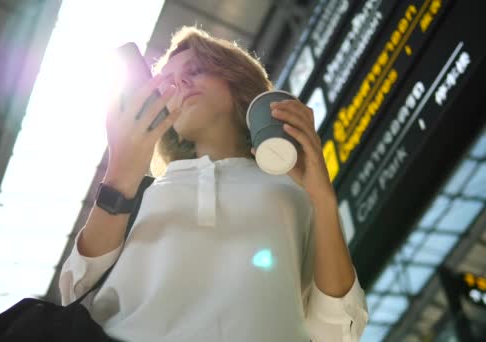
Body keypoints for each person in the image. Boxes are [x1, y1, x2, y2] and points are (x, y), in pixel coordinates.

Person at [59, 26, 369, 341]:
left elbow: (338, 329)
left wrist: (324, 200)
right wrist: (120, 173)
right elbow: (77, 290)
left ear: (235, 80)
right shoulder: (137, 194)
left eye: (196, 70)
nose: (181, 82)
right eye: (168, 82)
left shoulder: (295, 191)